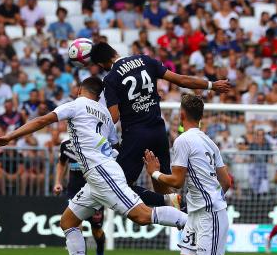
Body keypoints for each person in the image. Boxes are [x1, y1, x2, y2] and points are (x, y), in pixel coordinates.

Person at [0, 77, 188, 255]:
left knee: (142, 216)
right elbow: (114, 144)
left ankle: (189, 224)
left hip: (101, 172)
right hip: (95, 177)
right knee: (67, 221)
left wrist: (10, 136)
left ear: (79, 90)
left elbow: (42, 121)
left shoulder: (76, 105)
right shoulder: (104, 114)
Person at [143, 94, 261, 255]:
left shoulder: (182, 140)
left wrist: (155, 173)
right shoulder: (209, 141)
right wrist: (210, 196)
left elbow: (177, 181)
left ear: (181, 114)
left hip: (209, 215)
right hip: (196, 215)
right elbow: (226, 181)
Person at [89, 42, 229, 195]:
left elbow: (113, 117)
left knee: (119, 187)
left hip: (135, 135)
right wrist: (211, 85)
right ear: (114, 50)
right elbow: (181, 80)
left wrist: (93, 116)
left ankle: (156, 206)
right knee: (161, 183)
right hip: (158, 131)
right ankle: (173, 211)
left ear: (102, 64)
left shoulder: (110, 78)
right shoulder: (145, 60)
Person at [54, 138, 106, 255]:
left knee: (97, 230)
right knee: (76, 228)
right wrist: (58, 182)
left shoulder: (96, 142)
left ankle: (100, 252)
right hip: (74, 192)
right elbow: (61, 163)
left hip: (94, 192)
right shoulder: (66, 145)